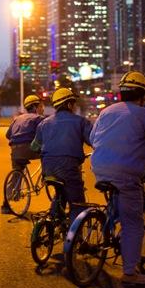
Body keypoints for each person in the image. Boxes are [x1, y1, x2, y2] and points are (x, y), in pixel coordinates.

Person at [90, 71, 145, 284]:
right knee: (132, 221)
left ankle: (107, 227)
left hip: (99, 167)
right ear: (144, 95)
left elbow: (92, 138)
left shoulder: (105, 112)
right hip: (125, 173)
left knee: (118, 200)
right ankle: (130, 273)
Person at [31, 88, 92, 221]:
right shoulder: (81, 122)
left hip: (48, 170)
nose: (75, 106)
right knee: (77, 204)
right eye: (74, 103)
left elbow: (34, 147)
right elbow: (94, 141)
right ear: (69, 105)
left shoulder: (44, 123)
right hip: (68, 168)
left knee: (60, 193)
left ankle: (52, 223)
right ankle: (76, 238)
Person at [3, 95, 45, 213]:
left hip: (15, 150)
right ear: (35, 107)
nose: (42, 109)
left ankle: (6, 204)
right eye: (40, 106)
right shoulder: (38, 118)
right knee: (47, 153)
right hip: (29, 149)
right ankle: (47, 176)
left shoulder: (17, 119)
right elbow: (45, 134)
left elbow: (7, 135)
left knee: (16, 173)